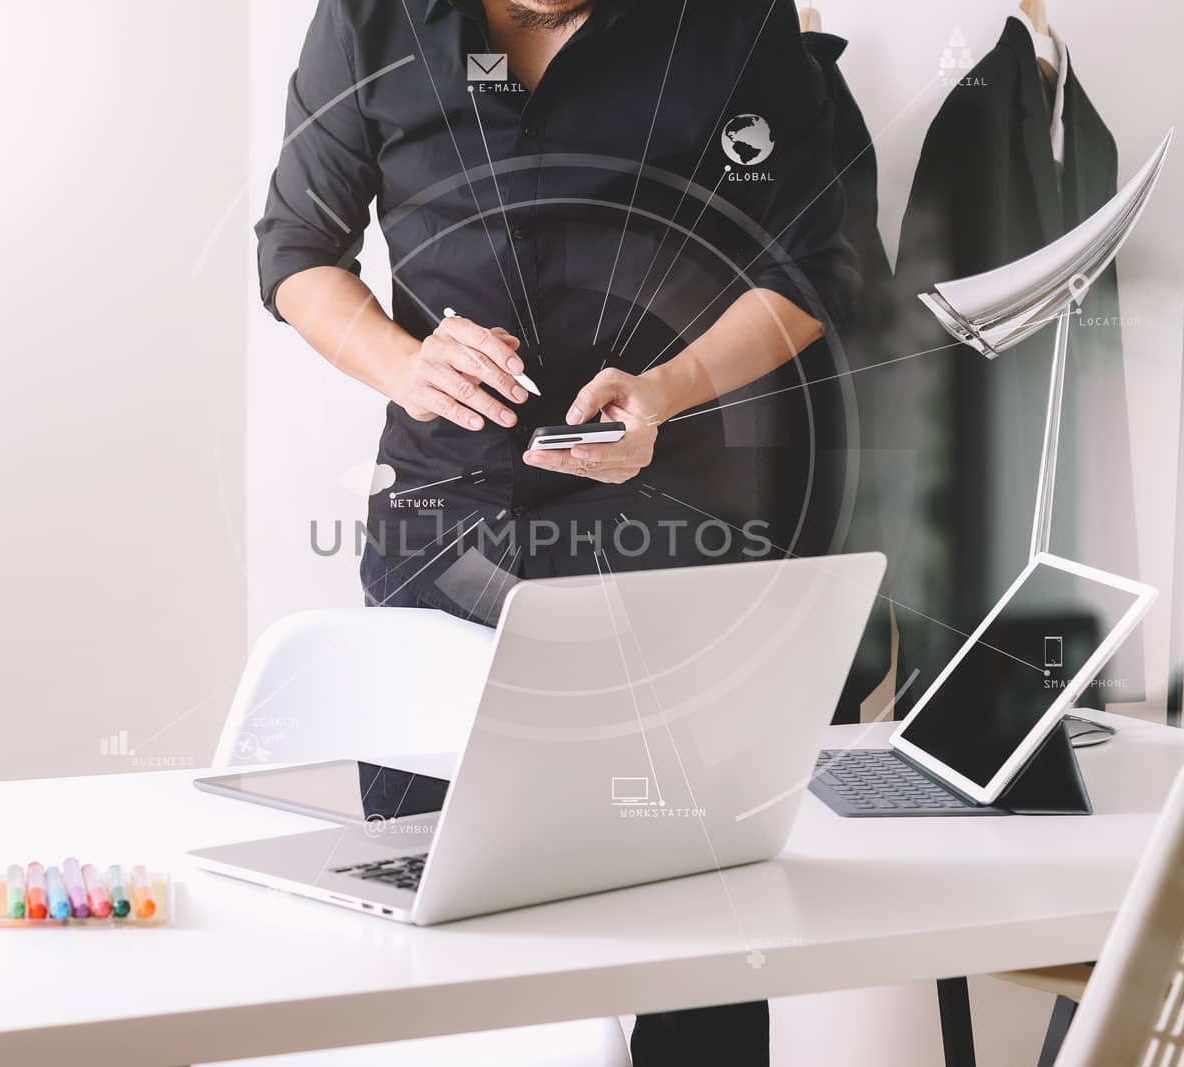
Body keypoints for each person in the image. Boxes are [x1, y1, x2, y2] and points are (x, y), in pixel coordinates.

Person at [259, 1, 856, 1062]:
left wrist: (668, 391)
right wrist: (404, 363)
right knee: (424, 905)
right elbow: (298, 249)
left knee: (694, 933)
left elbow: (810, 264)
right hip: (438, 535)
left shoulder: (736, 18)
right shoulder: (367, 15)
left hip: (673, 530)